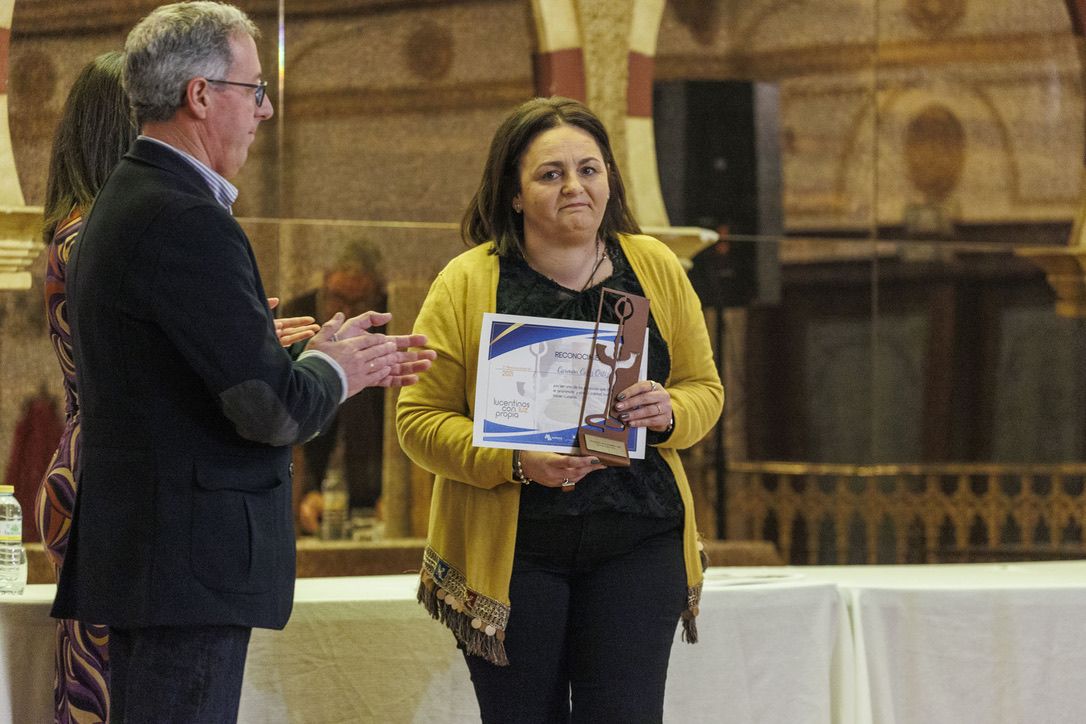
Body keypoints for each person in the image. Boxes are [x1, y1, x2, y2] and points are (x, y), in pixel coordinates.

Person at [51, 3, 433, 722]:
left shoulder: (130, 197)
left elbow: (177, 377)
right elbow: (272, 410)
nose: (265, 112)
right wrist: (338, 370)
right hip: (188, 566)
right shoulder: (186, 217)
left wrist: (279, 348)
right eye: (254, 91)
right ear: (201, 95)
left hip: (157, 560)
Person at [396, 97, 723, 722]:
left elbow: (705, 391)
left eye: (589, 169)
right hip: (517, 550)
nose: (575, 186)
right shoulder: (466, 282)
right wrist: (516, 461)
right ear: (514, 194)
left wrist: (669, 410)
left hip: (640, 539)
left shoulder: (654, 265)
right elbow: (417, 423)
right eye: (551, 174)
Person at [284, 242, 388, 534]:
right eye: (337, 299)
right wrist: (306, 489)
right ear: (324, 284)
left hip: (376, 473)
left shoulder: (387, 320)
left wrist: (391, 492)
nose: (345, 313)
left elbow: (383, 417)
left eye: (358, 302)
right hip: (314, 470)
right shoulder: (300, 314)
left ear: (376, 297)